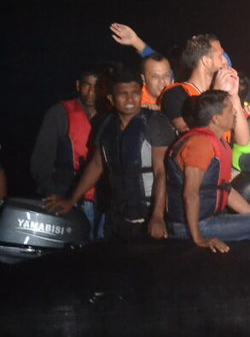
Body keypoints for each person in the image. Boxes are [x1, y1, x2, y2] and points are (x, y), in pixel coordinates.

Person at [43, 69, 176, 239]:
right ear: (111, 99)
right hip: (117, 217)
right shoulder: (105, 125)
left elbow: (161, 172)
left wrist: (157, 217)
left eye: (135, 93)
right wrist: (71, 200)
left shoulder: (155, 122)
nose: (130, 99)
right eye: (123, 94)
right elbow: (96, 165)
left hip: (149, 218)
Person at [165, 90, 250, 252]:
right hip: (191, 226)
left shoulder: (217, 143)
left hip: (208, 220)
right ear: (216, 119)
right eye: (230, 110)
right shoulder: (200, 144)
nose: (234, 113)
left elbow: (226, 190)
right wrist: (199, 239)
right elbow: (191, 193)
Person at [30, 66, 102, 233]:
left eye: (97, 86)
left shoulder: (109, 115)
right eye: (87, 85)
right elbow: (41, 159)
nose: (91, 92)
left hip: (101, 201)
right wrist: (52, 194)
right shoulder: (59, 113)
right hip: (66, 194)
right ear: (78, 85)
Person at [159, 34, 250, 149]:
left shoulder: (224, 95)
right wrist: (216, 93)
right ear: (206, 61)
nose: (224, 60)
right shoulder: (176, 93)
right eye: (220, 55)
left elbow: (243, 141)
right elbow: (191, 133)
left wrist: (234, 96)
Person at [109, 23, 173, 108]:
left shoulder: (174, 95)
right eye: (155, 77)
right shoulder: (136, 104)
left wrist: (136, 42)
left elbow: (160, 64)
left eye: (166, 76)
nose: (162, 82)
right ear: (143, 79)